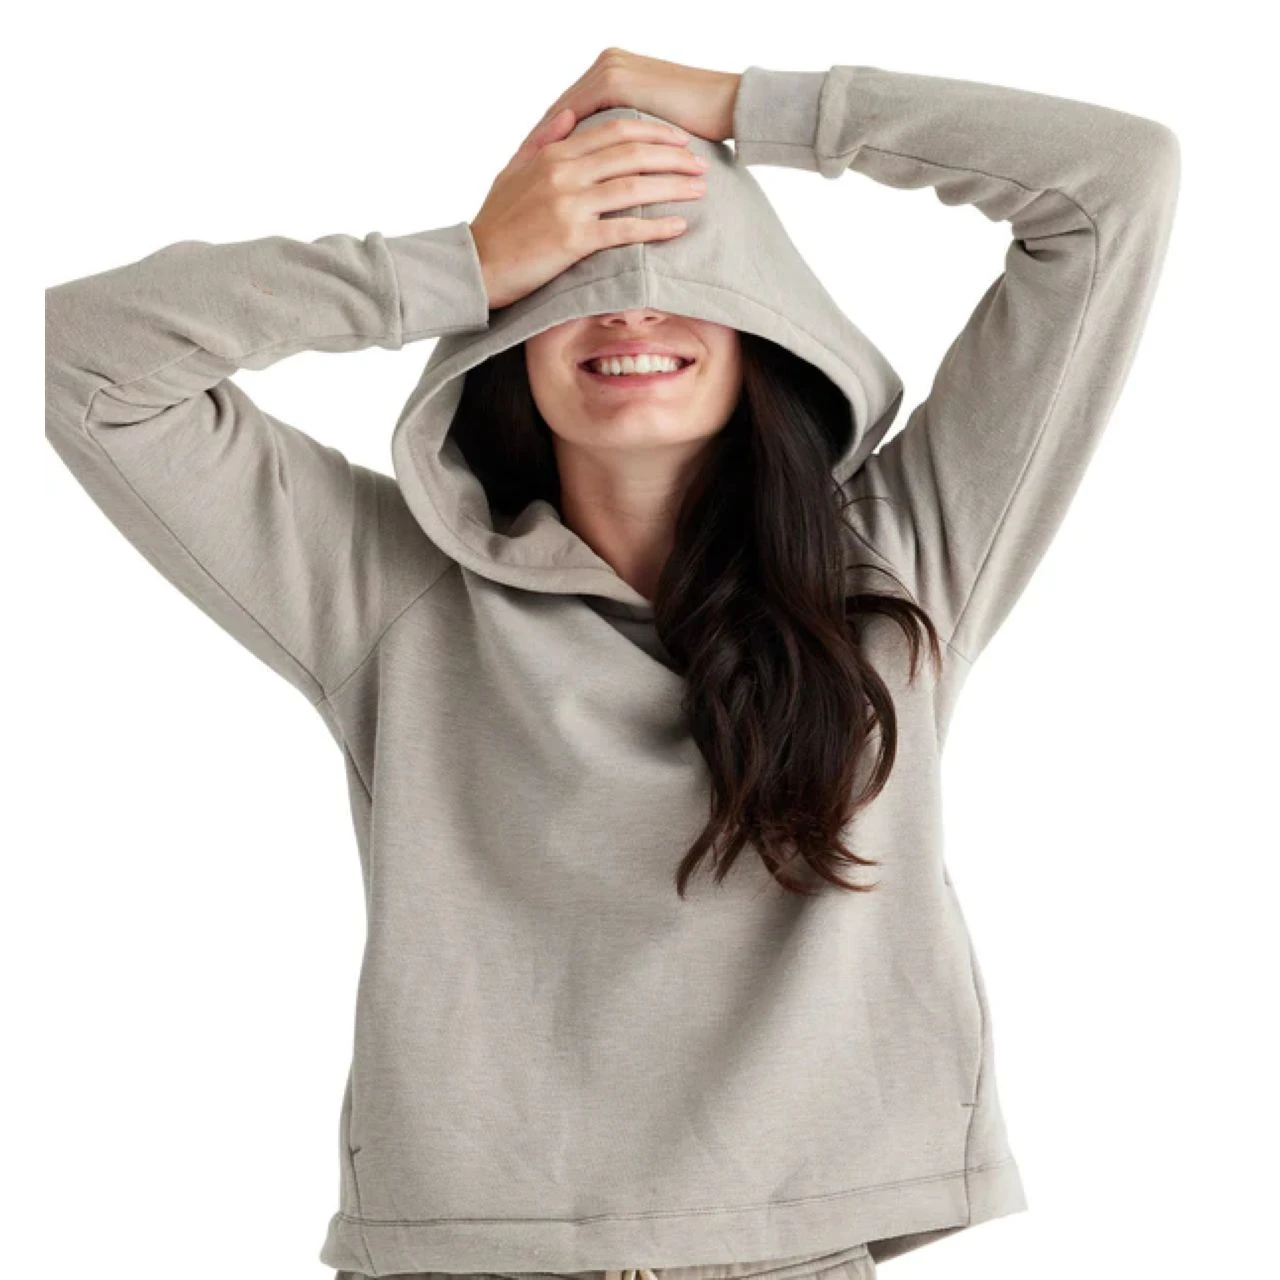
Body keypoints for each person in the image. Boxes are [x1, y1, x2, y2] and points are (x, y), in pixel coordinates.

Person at [44, 48, 1180, 1280]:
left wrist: (747, 106)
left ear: (764, 327)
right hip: (470, 1259)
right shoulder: (388, 588)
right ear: (509, 340)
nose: (632, 310)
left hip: (793, 1249)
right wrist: (457, 265)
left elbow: (1109, 187)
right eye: (574, 275)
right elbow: (74, 355)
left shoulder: (897, 559)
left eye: (687, 273)